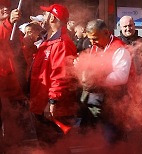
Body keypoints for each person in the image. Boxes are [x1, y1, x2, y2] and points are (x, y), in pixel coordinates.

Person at [28, 4, 78, 145]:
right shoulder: (49, 41)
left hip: (53, 109)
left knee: (55, 147)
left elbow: (61, 76)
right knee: (47, 145)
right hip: (41, 104)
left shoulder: (61, 43)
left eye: (46, 14)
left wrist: (52, 102)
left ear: (52, 18)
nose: (43, 16)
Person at [76, 19, 131, 143]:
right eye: (90, 38)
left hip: (116, 102)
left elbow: (122, 76)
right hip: (100, 101)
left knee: (111, 137)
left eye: (95, 38)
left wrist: (96, 80)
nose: (92, 42)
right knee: (99, 137)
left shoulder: (119, 49)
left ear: (106, 33)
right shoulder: (97, 46)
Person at [0, 0, 32, 151]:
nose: (5, 8)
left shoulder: (14, 30)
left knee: (16, 130)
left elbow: (22, 54)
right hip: (4, 89)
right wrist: (8, 23)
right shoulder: (5, 27)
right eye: (0, 7)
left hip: (16, 88)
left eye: (6, 6)